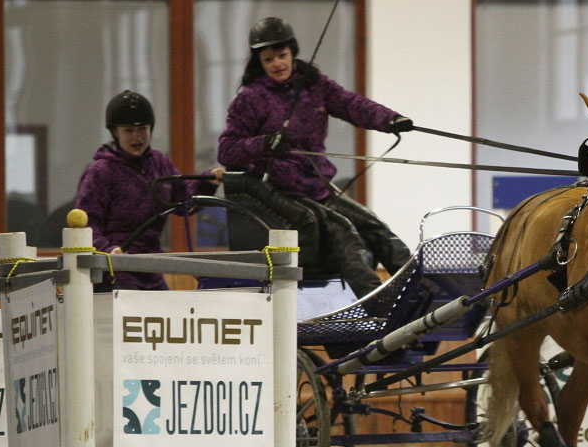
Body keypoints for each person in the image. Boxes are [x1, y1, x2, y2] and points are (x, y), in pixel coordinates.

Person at [218, 16, 413, 299]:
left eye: (282, 55)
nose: (277, 64)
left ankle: (418, 291)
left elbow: (352, 105)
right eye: (268, 59)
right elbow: (227, 151)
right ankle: (381, 306)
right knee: (343, 230)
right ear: (259, 62)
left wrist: (391, 120)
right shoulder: (250, 98)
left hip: (317, 184)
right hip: (281, 192)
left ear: (293, 52)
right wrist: (265, 143)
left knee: (374, 226)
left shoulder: (315, 85)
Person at [75, 90, 224, 291]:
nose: (137, 137)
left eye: (143, 129)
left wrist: (207, 183)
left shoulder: (159, 162)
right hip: (114, 271)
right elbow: (86, 223)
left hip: (151, 268)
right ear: (115, 132)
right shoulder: (100, 171)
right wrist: (107, 250)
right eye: (128, 131)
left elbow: (183, 203)